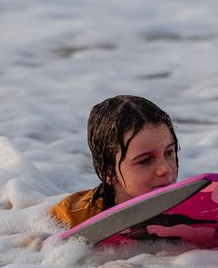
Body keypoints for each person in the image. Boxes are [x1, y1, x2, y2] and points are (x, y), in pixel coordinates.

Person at [50, 95, 179, 228]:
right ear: (110, 173)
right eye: (145, 160)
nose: (165, 169)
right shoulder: (73, 218)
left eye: (169, 153)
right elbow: (37, 239)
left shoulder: (191, 202)